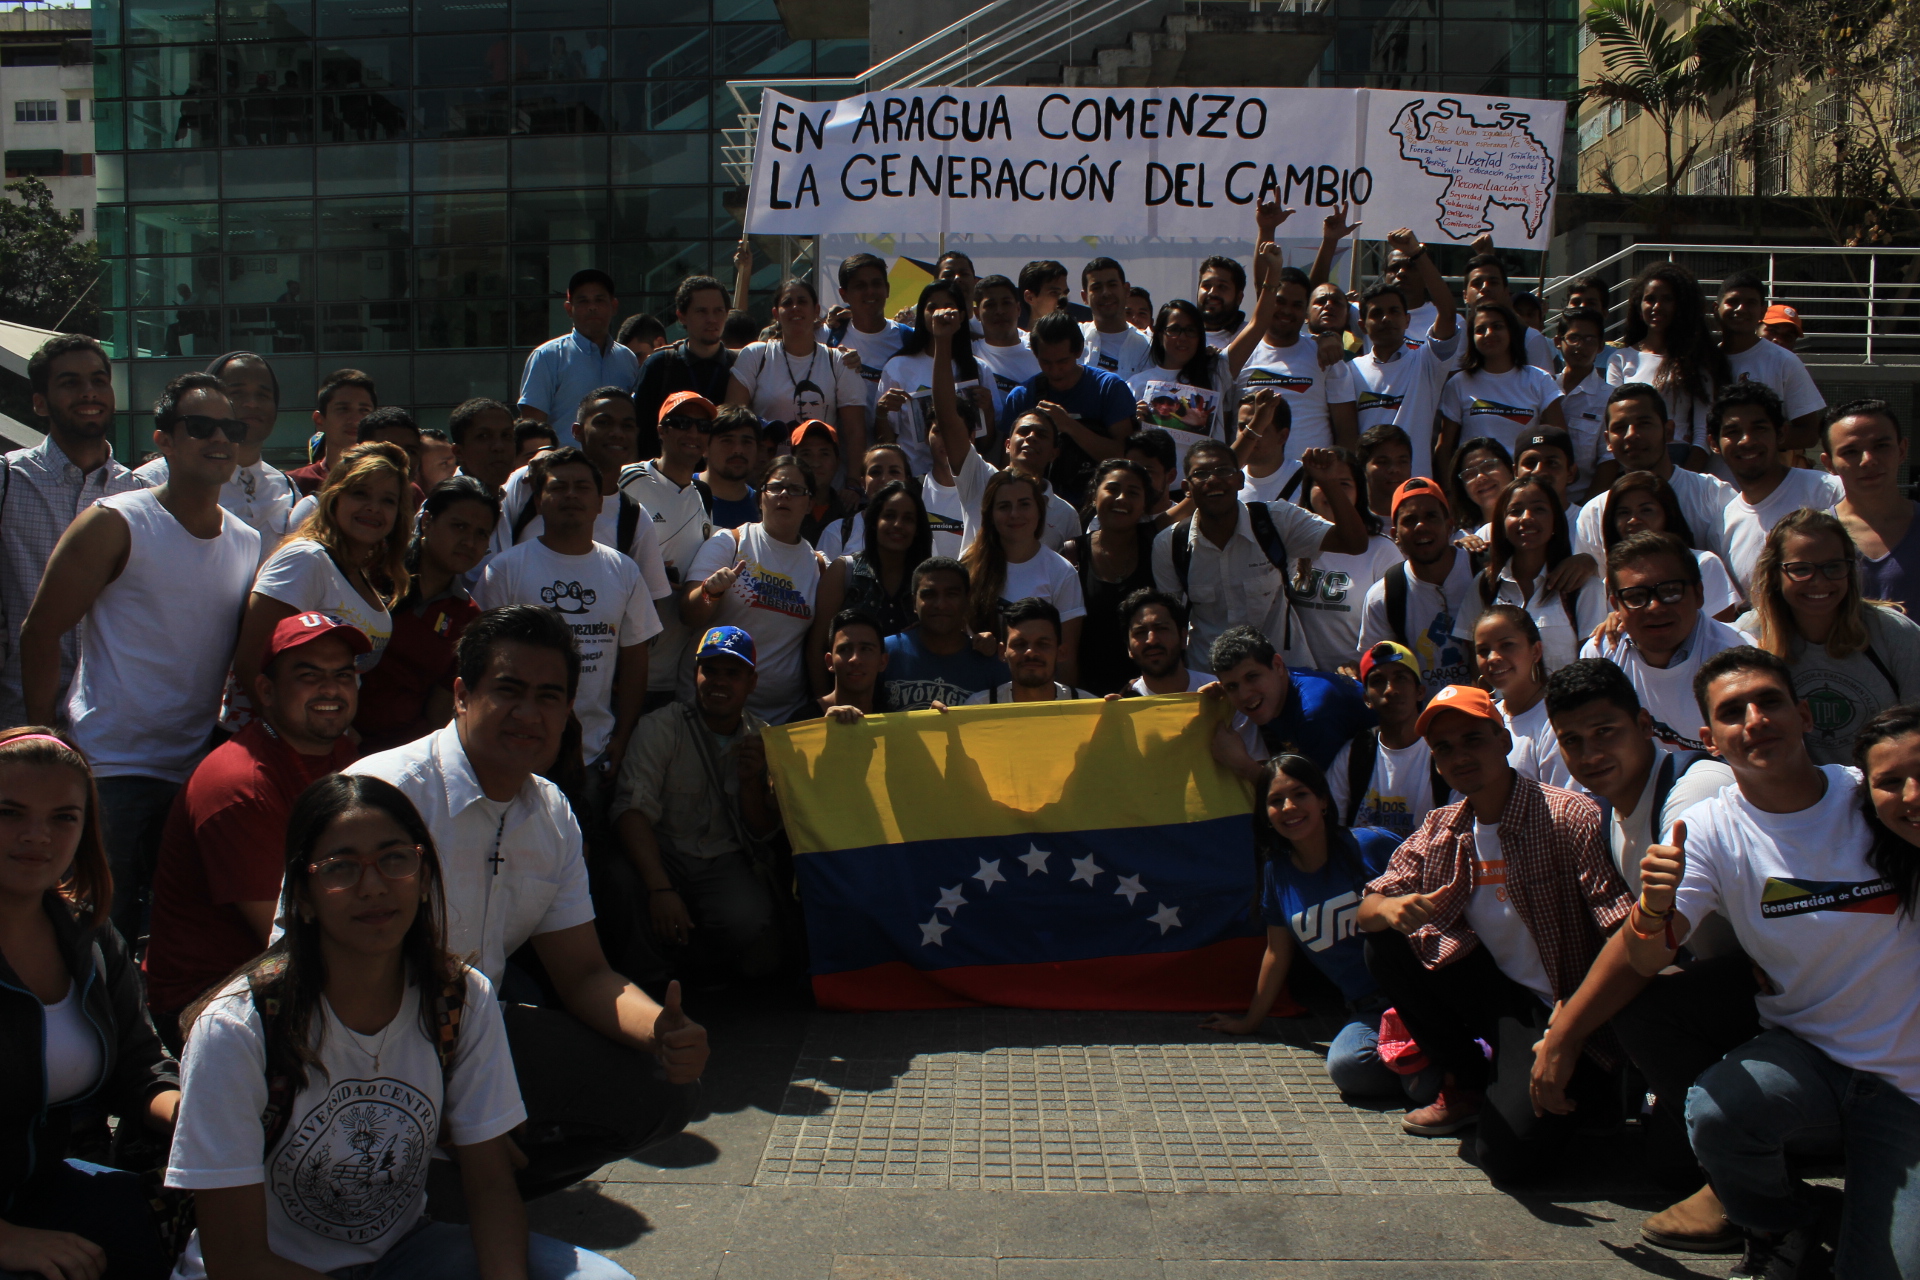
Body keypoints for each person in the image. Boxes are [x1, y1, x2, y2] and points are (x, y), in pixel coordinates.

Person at [167, 772, 632, 1279]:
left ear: (424, 874)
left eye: (394, 859)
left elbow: (491, 1186)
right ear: (301, 894)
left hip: (403, 1256)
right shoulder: (236, 1030)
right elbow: (237, 1260)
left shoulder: (460, 998)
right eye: (341, 868)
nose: (373, 887)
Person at [346, 605, 708, 1201]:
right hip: (364, 1050)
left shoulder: (551, 812)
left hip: (472, 1032)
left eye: (549, 697)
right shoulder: (385, 798)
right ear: (461, 695)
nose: (528, 714)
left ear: (569, 712)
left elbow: (585, 973)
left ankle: (472, 1189)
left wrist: (663, 1031)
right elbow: (330, 993)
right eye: (508, 691)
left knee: (664, 1088)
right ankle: (437, 1182)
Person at [1620, 653, 1920, 1279]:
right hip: (1812, 1062)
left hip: (1908, 1094)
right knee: (1718, 1110)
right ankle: (1786, 1225)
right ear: (1709, 739)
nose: (1755, 720)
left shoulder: (1876, 796)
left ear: (1803, 714)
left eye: (1769, 702)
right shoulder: (1703, 828)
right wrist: (1652, 909)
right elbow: (1649, 955)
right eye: (1732, 712)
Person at [21, 374, 262, 936]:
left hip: (197, 774)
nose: (219, 438)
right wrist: (45, 743)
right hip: (113, 770)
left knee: (171, 939)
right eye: (199, 426)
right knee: (93, 933)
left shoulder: (248, 541)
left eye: (230, 427)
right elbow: (40, 633)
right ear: (165, 441)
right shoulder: (115, 522)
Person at [1357, 683, 1631, 1174]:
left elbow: (1620, 932)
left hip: (1565, 1008)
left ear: (1504, 740)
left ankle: (1592, 1086)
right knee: (1384, 940)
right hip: (1498, 1000)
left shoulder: (1568, 816)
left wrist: (1567, 1033)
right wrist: (1393, 910)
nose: (1459, 756)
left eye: (1473, 739)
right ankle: (1467, 1080)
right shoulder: (1442, 826)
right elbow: (1368, 905)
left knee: (1509, 1160)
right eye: (1444, 748)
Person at [1528, 657, 1742, 1253]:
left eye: (1606, 732)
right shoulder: (1610, 819)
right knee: (1670, 1168)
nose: (1590, 754)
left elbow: (1645, 945)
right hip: (1726, 991)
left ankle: (1751, 1184)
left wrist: (1568, 1034)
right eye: (1572, 741)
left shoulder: (1695, 788)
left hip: (1788, 993)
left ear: (1644, 724)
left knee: (1639, 1011)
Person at [0, 729, 181, 1280]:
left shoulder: (91, 937)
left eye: (63, 817)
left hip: (43, 1187)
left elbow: (139, 1066)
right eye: (9, 812)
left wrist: (199, 1117)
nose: (38, 836)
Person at [144, 613, 366, 1046]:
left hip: (292, 971)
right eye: (309, 675)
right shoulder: (240, 786)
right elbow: (284, 933)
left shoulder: (339, 749)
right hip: (210, 1003)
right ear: (265, 690)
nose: (331, 689)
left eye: (343, 675)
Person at [1205, 753, 1441, 1104]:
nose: (1288, 807)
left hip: (1425, 992)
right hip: (1371, 1011)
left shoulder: (1370, 845)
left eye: (1300, 794)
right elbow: (1276, 952)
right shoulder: (1276, 872)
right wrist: (1250, 1022)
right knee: (1348, 1066)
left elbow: (1436, 905)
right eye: (1274, 800)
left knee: (1423, 1079)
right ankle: (1426, 1073)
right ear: (1265, 816)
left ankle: (1437, 1071)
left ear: (1323, 801)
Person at [479, 447, 661, 799]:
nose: (571, 495)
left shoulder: (623, 570)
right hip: (517, 748)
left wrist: (623, 737)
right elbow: (482, 661)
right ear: (539, 500)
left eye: (582, 487)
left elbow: (636, 658)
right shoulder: (504, 569)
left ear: (598, 504)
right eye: (559, 487)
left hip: (593, 754)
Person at [612, 624, 784, 983]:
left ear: (751, 683)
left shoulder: (763, 739)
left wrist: (752, 784)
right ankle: (650, 981)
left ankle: (700, 973)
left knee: (748, 920)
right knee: (620, 882)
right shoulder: (660, 728)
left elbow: (763, 833)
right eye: (711, 671)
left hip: (722, 861)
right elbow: (631, 812)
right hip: (663, 856)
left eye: (733, 674)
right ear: (696, 675)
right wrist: (660, 887)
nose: (719, 682)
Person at [1, 335, 148, 729]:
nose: (89, 393)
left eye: (99, 381)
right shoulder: (8, 481)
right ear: (39, 402)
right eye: (69, 383)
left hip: (108, 723)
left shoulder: (138, 495)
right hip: (15, 715)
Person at [230, 440, 410, 732]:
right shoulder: (306, 560)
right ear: (335, 498)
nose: (373, 508)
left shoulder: (358, 573)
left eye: (388, 500)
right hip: (268, 744)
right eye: (360, 493)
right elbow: (249, 663)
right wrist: (285, 739)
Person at [1154, 439, 1367, 671]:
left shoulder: (1278, 521)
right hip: (1211, 682)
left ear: (1240, 480)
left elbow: (1355, 543)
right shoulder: (1170, 544)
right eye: (1201, 474)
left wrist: (1329, 483)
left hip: (1284, 675)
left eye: (1224, 471)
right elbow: (1169, 624)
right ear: (1187, 488)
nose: (1213, 480)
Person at [1738, 508, 1920, 764]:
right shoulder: (1748, 636)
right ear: (1775, 574)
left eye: (1834, 567)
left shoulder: (1894, 633)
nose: (1819, 581)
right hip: (1796, 793)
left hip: (1878, 792)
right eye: (1801, 569)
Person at [357, 477, 497, 754]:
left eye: (481, 534)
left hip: (402, 756)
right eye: (459, 526)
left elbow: (440, 713)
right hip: (332, 738)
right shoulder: (368, 572)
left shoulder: (468, 617)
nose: (469, 542)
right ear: (427, 522)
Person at [684, 455, 823, 723]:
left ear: (810, 504)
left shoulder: (819, 566)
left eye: (796, 490)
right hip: (708, 710)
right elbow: (688, 615)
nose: (784, 495)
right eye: (775, 488)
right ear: (760, 497)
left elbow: (817, 647)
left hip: (780, 719)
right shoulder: (730, 542)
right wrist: (710, 593)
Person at [1582, 531, 1747, 753]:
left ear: (1699, 594)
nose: (1655, 606)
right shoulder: (1601, 657)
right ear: (1616, 605)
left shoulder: (1741, 663)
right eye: (1636, 596)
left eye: (1670, 591)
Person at [136, 351, 298, 553]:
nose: (252, 403)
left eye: (263, 395)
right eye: (237, 393)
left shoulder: (287, 488)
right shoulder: (151, 480)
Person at [618, 391, 720, 710]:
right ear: (661, 430)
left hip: (672, 674)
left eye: (702, 427)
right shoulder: (628, 479)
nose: (693, 433)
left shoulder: (703, 494)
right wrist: (646, 572)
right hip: (621, 666)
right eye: (681, 423)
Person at [1454, 477, 1608, 673]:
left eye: (1539, 509)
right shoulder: (1485, 584)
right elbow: (1475, 665)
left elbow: (1592, 667)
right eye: (1515, 511)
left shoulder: (1583, 587)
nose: (1526, 518)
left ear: (1555, 521)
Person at [730, 278, 868, 491]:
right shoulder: (756, 355)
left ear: (816, 311)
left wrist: (852, 483)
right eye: (787, 303)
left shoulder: (839, 361)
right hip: (764, 483)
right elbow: (733, 420)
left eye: (802, 301)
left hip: (820, 486)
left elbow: (854, 431)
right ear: (776, 314)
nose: (795, 307)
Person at [1577, 383, 1736, 561]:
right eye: (1620, 428)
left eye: (1644, 424)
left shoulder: (1713, 494)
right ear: (1607, 440)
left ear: (1668, 431)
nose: (1631, 435)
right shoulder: (1594, 513)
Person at [1710, 382, 1842, 594]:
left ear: (1781, 433)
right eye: (1732, 431)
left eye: (1759, 428)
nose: (1746, 441)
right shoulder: (1721, 526)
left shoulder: (1828, 491)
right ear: (1714, 443)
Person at [1347, 229, 1460, 476]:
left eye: (1394, 312)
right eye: (1376, 313)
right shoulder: (1350, 371)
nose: (1386, 318)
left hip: (1416, 491)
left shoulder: (1428, 363)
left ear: (1407, 320)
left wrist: (1417, 253)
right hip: (1367, 494)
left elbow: (1448, 312)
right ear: (1361, 325)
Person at [997, 310, 1138, 506]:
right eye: (1046, 362)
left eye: (1063, 361)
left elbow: (1125, 457)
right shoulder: (1022, 396)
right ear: (1035, 354)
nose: (1055, 370)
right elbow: (1008, 463)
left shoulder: (1109, 388)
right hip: (1037, 505)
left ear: (1079, 350)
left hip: (1098, 507)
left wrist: (1069, 426)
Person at [961, 469, 1087, 683]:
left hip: (1033, 696)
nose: (1014, 514)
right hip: (975, 689)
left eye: (1024, 504)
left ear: (1039, 511)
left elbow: (1066, 659)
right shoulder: (969, 562)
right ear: (990, 514)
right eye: (1004, 506)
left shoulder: (1061, 572)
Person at [808, 479, 932, 693]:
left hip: (911, 709)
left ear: (918, 529)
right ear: (874, 522)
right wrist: (824, 708)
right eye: (889, 516)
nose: (898, 525)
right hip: (848, 711)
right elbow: (816, 648)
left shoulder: (929, 582)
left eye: (908, 519)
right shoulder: (844, 571)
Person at [1205, 624, 1374, 779]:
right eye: (1232, 686)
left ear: (1278, 665)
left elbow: (1314, 798)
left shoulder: (1313, 712)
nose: (1244, 695)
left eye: (1252, 677)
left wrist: (1243, 766)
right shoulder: (1276, 687)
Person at [1358, 477, 1479, 693]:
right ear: (1395, 535)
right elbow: (1380, 671)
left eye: (1431, 516)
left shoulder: (1482, 572)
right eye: (1410, 520)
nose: (1421, 526)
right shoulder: (1383, 597)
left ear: (1450, 525)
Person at [1226, 261, 1359, 457]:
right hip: (1248, 482)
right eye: (1280, 301)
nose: (1287, 311)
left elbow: (1347, 432)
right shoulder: (1240, 352)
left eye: (1296, 305)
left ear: (1306, 311)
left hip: (1307, 482)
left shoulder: (1325, 356)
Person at [1290, 449, 1404, 674]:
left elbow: (1398, 629)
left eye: (1343, 483)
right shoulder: (1289, 544)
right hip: (1297, 681)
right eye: (1322, 483)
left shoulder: (1382, 551)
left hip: (1360, 681)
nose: (1331, 491)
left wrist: (1366, 668)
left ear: (1359, 493)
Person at [1604, 262, 1728, 467]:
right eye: (1649, 299)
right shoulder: (1620, 359)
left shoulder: (1696, 358)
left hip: (1679, 459)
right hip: (1631, 459)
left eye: (1667, 299)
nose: (1656, 306)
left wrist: (1686, 478)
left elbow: (1703, 431)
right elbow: (1614, 422)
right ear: (1638, 304)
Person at [1325, 640, 1448, 838]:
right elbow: (1331, 829)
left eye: (1401, 678)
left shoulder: (1445, 750)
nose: (1391, 690)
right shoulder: (1354, 754)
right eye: (1378, 681)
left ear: (1420, 692)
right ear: (1367, 699)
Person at [875, 280, 993, 476]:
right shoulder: (897, 367)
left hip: (964, 480)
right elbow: (887, 441)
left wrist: (987, 409)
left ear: (962, 315)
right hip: (913, 478)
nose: (941, 313)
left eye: (949, 307)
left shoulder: (980, 369)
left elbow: (986, 442)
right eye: (932, 307)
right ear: (922, 315)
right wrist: (881, 411)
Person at [1065, 459, 1159, 695]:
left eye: (1132, 492)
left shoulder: (1159, 552)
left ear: (1145, 504)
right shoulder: (1071, 554)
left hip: (1149, 695)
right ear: (1095, 496)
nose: (1121, 499)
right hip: (1087, 698)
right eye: (1112, 489)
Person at [1599, 470, 1742, 619]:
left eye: (1646, 510)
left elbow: (1722, 630)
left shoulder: (1704, 564)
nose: (1633, 520)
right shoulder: (1612, 579)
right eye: (1624, 513)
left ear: (1668, 514)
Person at [1437, 302, 1566, 464]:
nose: (1489, 334)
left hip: (1524, 483)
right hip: (1475, 482)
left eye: (1497, 326)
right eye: (1480, 330)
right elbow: (1445, 446)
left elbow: (1559, 440)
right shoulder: (1458, 383)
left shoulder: (1539, 379)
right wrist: (1449, 489)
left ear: (1511, 332)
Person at [1824, 397, 1920, 616]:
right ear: (1829, 464)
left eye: (1881, 446)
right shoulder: (1813, 537)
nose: (1868, 460)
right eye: (1850, 451)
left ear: (1902, 450)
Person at [518, 268, 641, 431]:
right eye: (583, 301)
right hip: (565, 456)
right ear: (569, 309)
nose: (592, 307)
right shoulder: (548, 357)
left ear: (614, 306)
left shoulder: (627, 358)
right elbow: (531, 427)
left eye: (599, 300)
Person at [1716, 270, 1826, 453]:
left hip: (1763, 478)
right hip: (1708, 477)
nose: (1741, 309)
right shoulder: (1702, 359)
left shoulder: (1786, 362)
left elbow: (1809, 433)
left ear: (1761, 311)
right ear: (1715, 309)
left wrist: (1754, 447)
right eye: (1733, 302)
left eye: (1750, 303)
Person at [880, 557, 1008, 710]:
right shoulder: (884, 653)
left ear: (967, 600)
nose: (940, 604)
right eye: (929, 595)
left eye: (951, 594)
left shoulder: (991, 664)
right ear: (914, 602)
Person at [634, 275, 735, 461]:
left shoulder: (739, 367)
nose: (712, 319)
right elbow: (640, 432)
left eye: (718, 310)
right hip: (666, 481)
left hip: (721, 480)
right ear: (682, 316)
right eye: (702, 311)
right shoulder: (659, 366)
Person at [1128, 300, 1235, 441]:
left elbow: (1257, 325)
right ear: (1160, 335)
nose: (1183, 337)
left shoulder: (1215, 373)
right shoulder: (1135, 385)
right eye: (1174, 330)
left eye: (1190, 330)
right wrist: (1132, 424)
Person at [962, 598, 1098, 704]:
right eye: (1020, 644)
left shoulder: (1090, 710)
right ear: (1002, 651)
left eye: (1043, 644)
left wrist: (1116, 716)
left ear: (1061, 652)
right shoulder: (979, 707)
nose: (1031, 652)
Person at [825, 252, 910, 414]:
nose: (870, 291)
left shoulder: (909, 338)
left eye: (876, 284)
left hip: (896, 439)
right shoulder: (828, 338)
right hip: (845, 438)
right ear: (844, 294)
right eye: (860, 286)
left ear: (887, 289)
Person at [1552, 308, 1612, 504]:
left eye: (1589, 340)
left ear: (1601, 346)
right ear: (1558, 342)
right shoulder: (1543, 387)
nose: (1580, 346)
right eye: (1573, 338)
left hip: (1584, 502)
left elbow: (1608, 461)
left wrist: (1584, 511)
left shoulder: (1609, 398)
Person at [1458, 253, 1556, 372]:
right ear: (1465, 295)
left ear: (1506, 291)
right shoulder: (1455, 337)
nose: (1485, 288)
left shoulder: (1530, 338)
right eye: (1477, 284)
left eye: (1493, 283)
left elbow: (1545, 388)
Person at [287, 368, 377, 495]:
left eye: (364, 410)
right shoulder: (294, 484)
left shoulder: (393, 486)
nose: (356, 420)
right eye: (343, 409)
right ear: (319, 421)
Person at [1122, 588, 1209, 695]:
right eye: (1140, 632)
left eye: (1161, 629)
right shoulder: (1125, 705)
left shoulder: (1223, 695)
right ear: (1129, 648)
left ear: (1183, 637)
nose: (1151, 640)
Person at [971, 274, 1041, 403]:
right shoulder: (969, 355)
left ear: (1018, 309)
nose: (999, 311)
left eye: (1006, 303)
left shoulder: (1040, 353)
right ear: (977, 313)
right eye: (990, 305)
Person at [1078, 257, 1153, 378]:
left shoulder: (1147, 349)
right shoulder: (1072, 338)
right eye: (1096, 288)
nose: (1106, 293)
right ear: (1084, 297)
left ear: (1126, 290)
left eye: (1112, 285)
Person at [816, 609, 891, 719]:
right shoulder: (800, 722)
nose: (855, 659)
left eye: (866, 649)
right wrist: (821, 729)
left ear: (882, 662)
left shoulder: (893, 720)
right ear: (829, 661)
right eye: (844, 649)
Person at [700, 405, 763, 530]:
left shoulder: (764, 507)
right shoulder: (681, 494)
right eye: (727, 440)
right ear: (705, 447)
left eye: (747, 442)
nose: (738, 450)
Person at [449, 397, 519, 494]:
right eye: (483, 436)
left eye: (506, 435)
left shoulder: (504, 500)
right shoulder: (445, 506)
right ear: (458, 452)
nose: (499, 446)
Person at [1447, 437, 1514, 537]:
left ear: (1511, 470)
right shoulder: (1459, 539)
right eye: (1469, 474)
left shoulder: (1531, 521)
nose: (1480, 477)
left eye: (1489, 466)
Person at [1358, 426, 1414, 541]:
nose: (1394, 469)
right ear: (1362, 468)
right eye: (1383, 462)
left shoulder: (1424, 523)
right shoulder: (1351, 524)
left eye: (1402, 461)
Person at [1197, 253, 1247, 339]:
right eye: (1206, 285)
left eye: (1222, 286)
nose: (1212, 293)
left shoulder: (1253, 337)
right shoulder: (1181, 337)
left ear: (1239, 297)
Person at [1017, 258, 1073, 326]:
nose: (1063, 300)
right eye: (1054, 293)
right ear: (1030, 297)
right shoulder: (1018, 336)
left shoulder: (1081, 334)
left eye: (1065, 293)